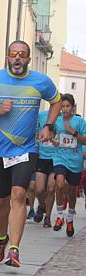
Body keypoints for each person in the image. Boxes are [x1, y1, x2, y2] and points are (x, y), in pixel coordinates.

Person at [0, 41, 61, 268]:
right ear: (8, 57)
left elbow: (56, 101)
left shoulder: (41, 81)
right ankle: (1, 240)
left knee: (19, 194)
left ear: (29, 59)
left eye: (22, 55)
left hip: (26, 149)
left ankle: (14, 248)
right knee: (1, 200)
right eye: (13, 54)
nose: (18, 58)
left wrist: (48, 126)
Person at [52, 94, 86, 236]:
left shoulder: (80, 122)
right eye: (63, 106)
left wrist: (74, 132)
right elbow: (52, 135)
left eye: (67, 106)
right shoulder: (56, 121)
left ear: (72, 108)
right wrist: (53, 140)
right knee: (59, 184)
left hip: (75, 161)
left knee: (72, 193)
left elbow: (84, 141)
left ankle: (70, 218)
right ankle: (60, 215)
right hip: (60, 158)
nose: (65, 109)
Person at [34, 110, 58, 228]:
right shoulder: (42, 116)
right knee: (39, 189)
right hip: (42, 157)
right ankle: (41, 205)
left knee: (51, 188)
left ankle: (47, 217)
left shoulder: (64, 119)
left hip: (56, 158)